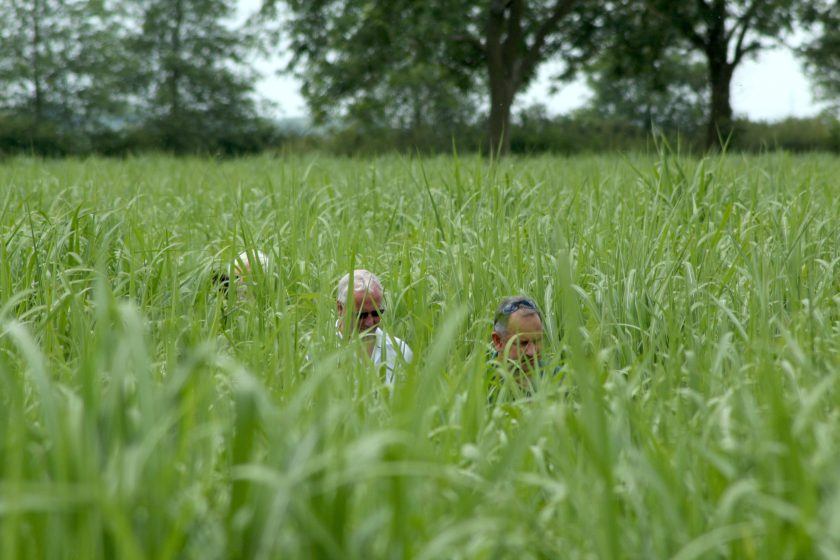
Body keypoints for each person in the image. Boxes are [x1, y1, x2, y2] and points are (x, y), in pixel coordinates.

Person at [336, 269, 413, 386]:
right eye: (361, 315)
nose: (370, 322)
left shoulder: (400, 352)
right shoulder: (318, 354)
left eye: (377, 313)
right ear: (340, 308)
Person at [488, 295, 558, 400]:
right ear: (498, 341)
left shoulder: (558, 378)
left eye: (537, 340)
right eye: (523, 343)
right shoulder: (481, 385)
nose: (532, 352)